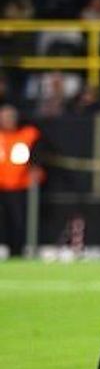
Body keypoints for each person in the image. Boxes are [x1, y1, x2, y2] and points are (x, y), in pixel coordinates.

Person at [0, 104, 43, 257]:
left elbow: (38, 156)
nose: (7, 120)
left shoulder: (27, 134)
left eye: (10, 117)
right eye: (4, 117)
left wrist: (36, 169)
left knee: (18, 221)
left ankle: (17, 251)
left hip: (20, 186)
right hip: (1, 185)